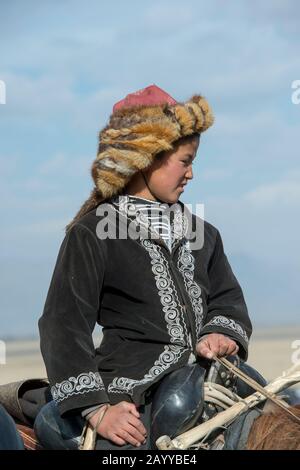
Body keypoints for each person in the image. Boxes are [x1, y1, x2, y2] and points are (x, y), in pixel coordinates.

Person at [35, 84, 255, 450]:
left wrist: (222, 333)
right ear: (146, 157)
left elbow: (227, 299)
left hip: (209, 377)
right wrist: (98, 412)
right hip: (129, 389)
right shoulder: (92, 233)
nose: (191, 174)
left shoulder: (204, 234)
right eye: (185, 161)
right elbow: (63, 325)